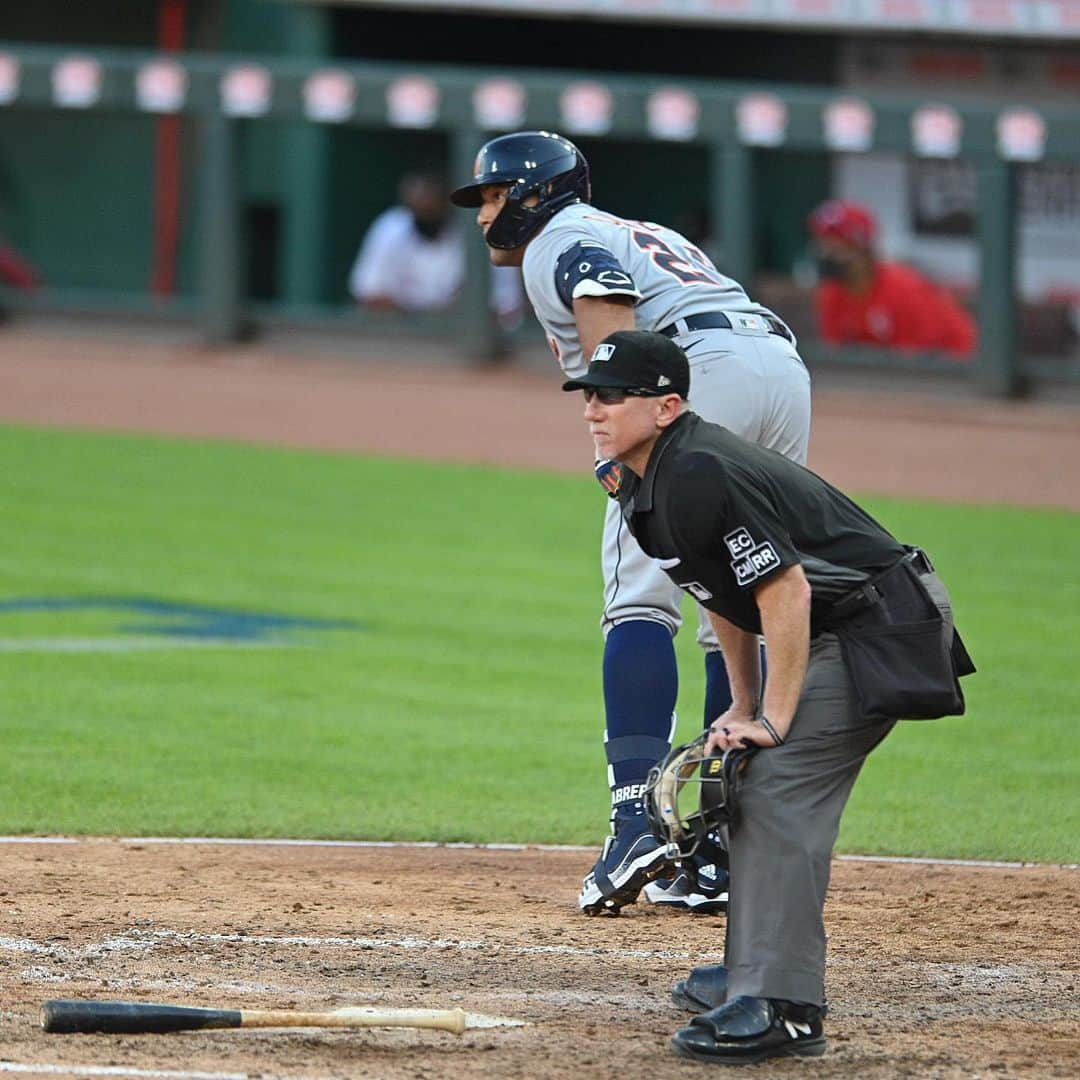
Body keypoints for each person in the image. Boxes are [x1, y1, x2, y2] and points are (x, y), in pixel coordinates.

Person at [562, 329, 974, 1064]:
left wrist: (776, 718)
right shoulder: (641, 483)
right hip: (831, 626)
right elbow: (721, 591)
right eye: (589, 395)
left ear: (666, 406)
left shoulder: (700, 471)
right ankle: (751, 971)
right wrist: (743, 704)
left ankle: (784, 1007)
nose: (595, 410)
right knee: (746, 780)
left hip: (875, 625)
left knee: (779, 784)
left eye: (613, 396)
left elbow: (785, 588)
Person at [450, 131, 812, 916]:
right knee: (737, 598)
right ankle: (720, 845)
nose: (482, 216)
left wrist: (627, 439)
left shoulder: (559, 239)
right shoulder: (636, 228)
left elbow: (603, 299)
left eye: (489, 196)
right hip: (778, 370)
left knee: (642, 591)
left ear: (531, 194)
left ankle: (634, 822)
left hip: (694, 378)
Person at [348, 170, 522, 327]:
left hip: (458, 335)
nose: (425, 206)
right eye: (418, 203)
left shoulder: (482, 231)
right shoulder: (391, 226)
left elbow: (507, 307)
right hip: (402, 335)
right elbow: (369, 295)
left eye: (432, 202)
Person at [808, 199, 977, 358]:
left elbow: (922, 361)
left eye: (835, 246)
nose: (826, 254)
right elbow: (838, 359)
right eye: (823, 245)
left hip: (961, 369)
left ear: (861, 250)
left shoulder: (904, 290)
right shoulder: (831, 295)